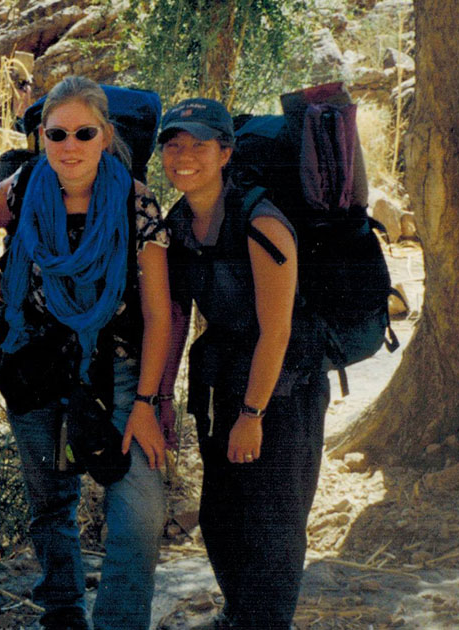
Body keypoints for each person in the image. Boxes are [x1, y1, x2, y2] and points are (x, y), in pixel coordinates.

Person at [0, 76, 171, 630]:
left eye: (84, 132)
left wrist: (148, 403)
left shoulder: (134, 201)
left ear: (105, 136)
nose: (70, 145)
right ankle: (62, 613)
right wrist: (2, 286)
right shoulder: (26, 184)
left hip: (119, 371)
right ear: (41, 137)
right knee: (51, 502)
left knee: (140, 514)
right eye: (57, 133)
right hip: (35, 362)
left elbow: (158, 315)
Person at [157, 98, 329, 630]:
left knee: (274, 522)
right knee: (220, 516)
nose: (184, 156)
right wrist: (161, 397)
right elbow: (177, 318)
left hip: (283, 388)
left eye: (199, 144)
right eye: (173, 144)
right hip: (226, 381)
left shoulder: (263, 222)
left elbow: (276, 331)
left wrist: (252, 415)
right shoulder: (180, 223)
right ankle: (241, 615)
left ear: (225, 151)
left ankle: (266, 622)